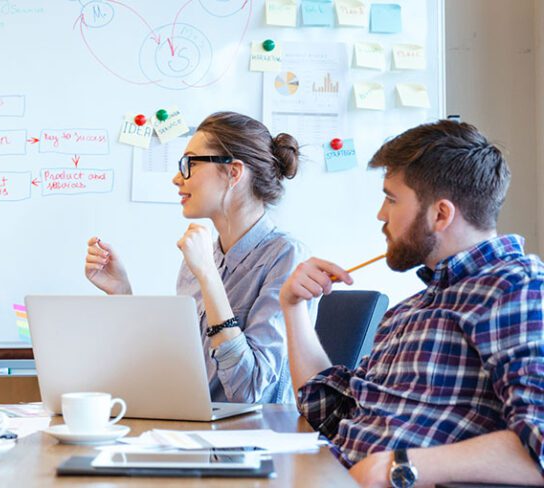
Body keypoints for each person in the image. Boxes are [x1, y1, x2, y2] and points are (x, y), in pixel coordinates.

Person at [280, 120, 544, 487]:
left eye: (391, 198)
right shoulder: (412, 309)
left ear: (440, 214)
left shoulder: (517, 287)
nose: (381, 215)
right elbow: (330, 412)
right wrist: (293, 308)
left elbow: (539, 442)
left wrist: (401, 466)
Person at [83, 111, 310, 404]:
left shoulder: (286, 257)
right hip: (195, 431)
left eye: (189, 164)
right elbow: (176, 372)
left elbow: (250, 391)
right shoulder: (202, 257)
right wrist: (123, 294)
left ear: (233, 172)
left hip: (251, 440)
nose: (177, 178)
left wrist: (208, 274)